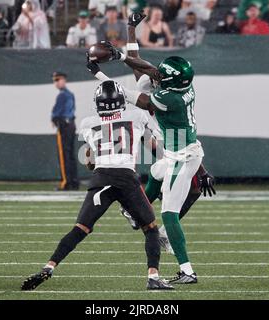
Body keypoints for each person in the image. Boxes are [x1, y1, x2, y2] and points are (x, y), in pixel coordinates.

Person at [21, 80, 174, 291]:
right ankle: (153, 277)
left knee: (80, 228)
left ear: (98, 102)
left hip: (101, 178)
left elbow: (90, 161)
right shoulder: (137, 117)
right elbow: (154, 149)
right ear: (121, 100)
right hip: (126, 178)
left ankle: (49, 267)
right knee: (151, 229)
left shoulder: (87, 123)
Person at [87, 31, 207, 283]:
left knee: (169, 215)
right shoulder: (185, 87)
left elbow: (127, 95)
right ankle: (134, 212)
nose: (157, 76)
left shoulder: (166, 99)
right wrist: (121, 55)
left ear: (169, 82)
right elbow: (149, 69)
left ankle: (187, 270)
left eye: (162, 76)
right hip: (189, 150)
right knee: (154, 172)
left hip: (181, 158)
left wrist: (97, 74)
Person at [51, 71, 79, 191]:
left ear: (64, 80)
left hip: (64, 124)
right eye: (55, 80)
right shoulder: (70, 94)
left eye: (58, 79)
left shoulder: (62, 95)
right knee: (70, 155)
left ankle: (66, 182)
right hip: (71, 124)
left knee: (64, 155)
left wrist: (54, 119)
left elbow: (56, 113)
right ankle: (73, 181)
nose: (56, 82)